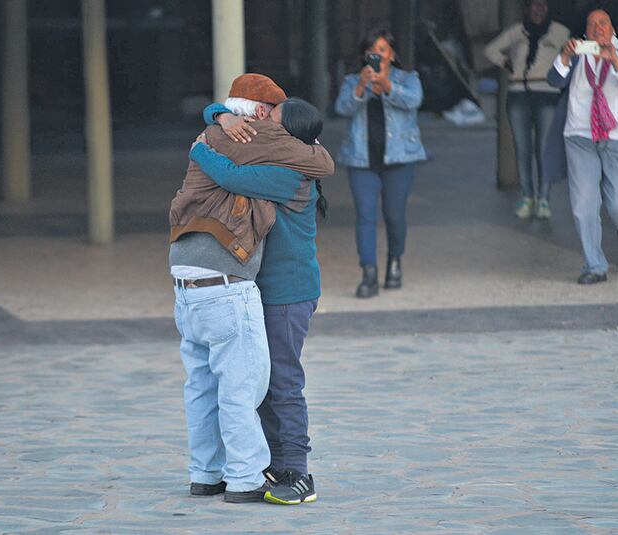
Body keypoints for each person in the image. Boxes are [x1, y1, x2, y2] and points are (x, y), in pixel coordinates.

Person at [170, 75, 334, 504]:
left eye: (274, 121)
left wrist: (202, 148)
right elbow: (236, 133)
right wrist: (219, 115)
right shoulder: (279, 161)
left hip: (287, 292)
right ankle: (271, 464)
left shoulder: (288, 176)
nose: (263, 123)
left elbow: (230, 175)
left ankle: (295, 469)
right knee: (259, 382)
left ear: (289, 135)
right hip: (260, 289)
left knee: (282, 382)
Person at [542, 6, 618, 284]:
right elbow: (555, 80)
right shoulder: (579, 53)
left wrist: (614, 59)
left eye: (603, 23)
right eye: (592, 25)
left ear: (612, 29)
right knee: (584, 205)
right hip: (580, 138)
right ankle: (594, 265)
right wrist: (565, 56)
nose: (598, 28)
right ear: (585, 32)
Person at [334, 28, 427, 298]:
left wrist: (387, 85)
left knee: (395, 216)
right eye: (372, 50)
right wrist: (362, 86)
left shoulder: (409, 78)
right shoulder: (353, 80)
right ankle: (369, 273)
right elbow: (341, 108)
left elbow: (414, 101)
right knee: (365, 216)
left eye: (383, 50)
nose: (377, 55)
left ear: (392, 54)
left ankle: (395, 261)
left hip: (400, 159)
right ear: (365, 55)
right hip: (361, 160)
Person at [484, 0, 570, 219]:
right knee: (522, 149)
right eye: (535, 6)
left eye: (543, 6)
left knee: (543, 149)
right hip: (519, 93)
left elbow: (576, 52)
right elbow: (490, 50)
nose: (539, 10)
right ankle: (527, 196)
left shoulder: (560, 32)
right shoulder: (517, 32)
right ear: (526, 9)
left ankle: (544, 198)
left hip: (548, 93)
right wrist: (506, 62)